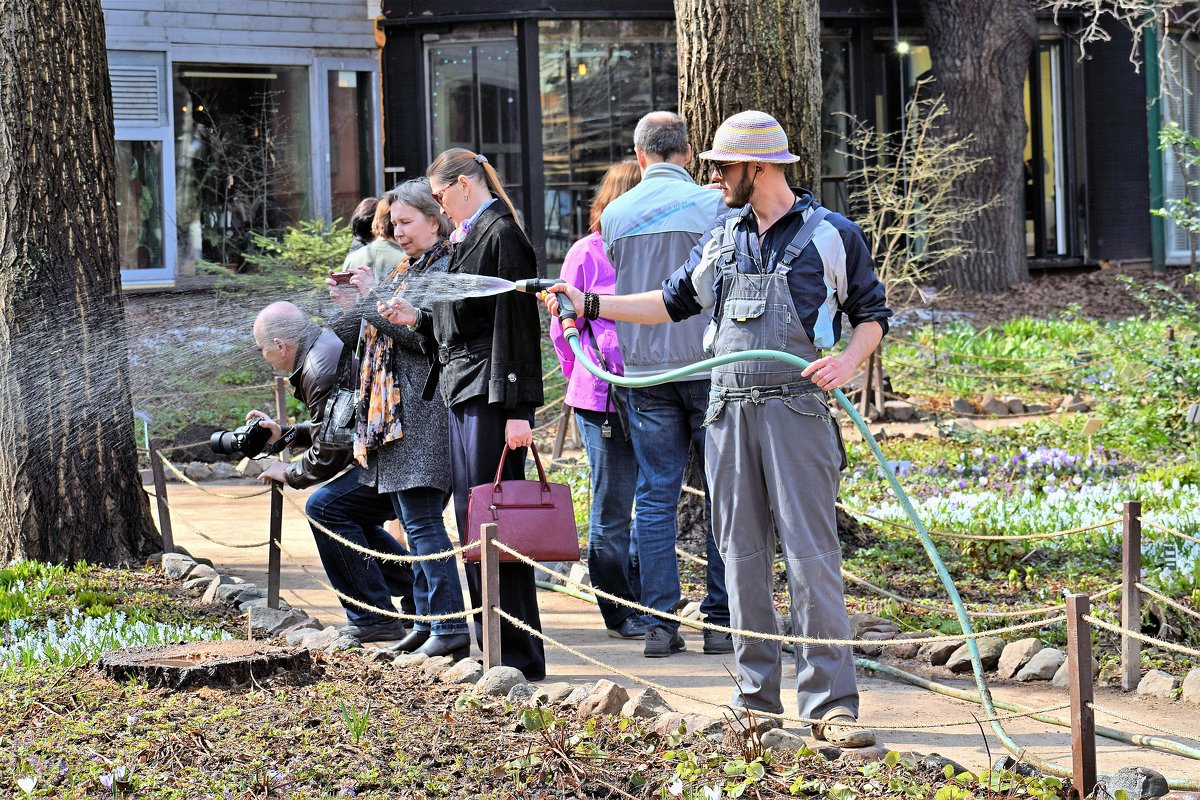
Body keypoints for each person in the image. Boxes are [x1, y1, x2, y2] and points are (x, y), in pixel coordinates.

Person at [545, 110, 891, 747]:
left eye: (722, 167)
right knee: (740, 555)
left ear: (757, 169)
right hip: (727, 410)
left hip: (795, 411)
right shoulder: (723, 235)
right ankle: (756, 699)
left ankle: (829, 705)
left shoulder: (830, 235)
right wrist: (589, 303)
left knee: (812, 557)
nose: (713, 177)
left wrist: (846, 361)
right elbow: (670, 301)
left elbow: (870, 313)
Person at [381, 148, 547, 682]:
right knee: (473, 522)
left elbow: (516, 327)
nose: (438, 205)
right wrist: (416, 320)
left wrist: (520, 411)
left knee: (494, 523)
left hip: (492, 395)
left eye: (440, 194)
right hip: (464, 389)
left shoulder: (501, 234)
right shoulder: (470, 234)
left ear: (462, 185)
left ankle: (515, 655)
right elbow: (459, 318)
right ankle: (494, 647)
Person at [599, 111, 730, 659]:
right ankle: (721, 620)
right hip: (707, 365)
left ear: (640, 155)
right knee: (725, 492)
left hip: (644, 370)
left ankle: (658, 624)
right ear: (687, 150)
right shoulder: (714, 204)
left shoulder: (615, 214)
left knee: (655, 495)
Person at [329, 181, 470, 661]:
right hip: (399, 415)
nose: (397, 232)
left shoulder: (448, 265)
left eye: (407, 222)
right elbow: (376, 331)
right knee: (415, 521)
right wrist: (353, 304)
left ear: (436, 219)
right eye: (393, 224)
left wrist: (372, 298)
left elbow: (425, 339)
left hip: (425, 413)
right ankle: (430, 620)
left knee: (425, 522)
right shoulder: (413, 267)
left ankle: (449, 625)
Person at [248, 301, 415, 644]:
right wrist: (286, 433)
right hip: (398, 449)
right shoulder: (319, 346)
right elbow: (338, 426)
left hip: (403, 460)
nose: (264, 357)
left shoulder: (318, 368)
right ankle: (420, 593)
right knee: (348, 513)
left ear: (281, 345)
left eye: (262, 349)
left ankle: (372, 618)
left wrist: (289, 472)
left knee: (325, 508)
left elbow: (331, 453)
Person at [549, 161, 645, 640]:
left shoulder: (655, 252)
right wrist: (584, 376)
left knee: (653, 503)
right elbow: (562, 327)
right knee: (611, 505)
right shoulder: (587, 253)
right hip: (602, 397)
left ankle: (648, 601)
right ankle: (617, 608)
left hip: (654, 392)